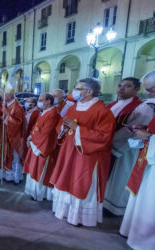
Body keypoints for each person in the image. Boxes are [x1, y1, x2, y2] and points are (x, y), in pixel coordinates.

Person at [50, 78, 115, 227]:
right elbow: (62, 124)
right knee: (66, 178)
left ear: (89, 91)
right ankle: (64, 211)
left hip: (87, 155)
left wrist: (77, 129)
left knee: (80, 182)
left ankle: (79, 217)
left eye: (78, 88)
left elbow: (104, 137)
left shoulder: (102, 111)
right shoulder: (74, 107)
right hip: (68, 151)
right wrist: (64, 128)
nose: (75, 90)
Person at [104, 77, 153, 216]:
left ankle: (113, 208)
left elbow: (132, 129)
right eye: (120, 85)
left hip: (123, 149)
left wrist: (109, 142)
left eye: (127, 86)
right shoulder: (111, 104)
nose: (121, 88)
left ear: (137, 90)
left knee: (119, 177)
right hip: (106, 146)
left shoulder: (141, 107)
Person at [120, 71, 155, 249]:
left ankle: (146, 241)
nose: (149, 93)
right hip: (148, 158)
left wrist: (148, 137)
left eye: (152, 89)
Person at [23, 93, 61, 201]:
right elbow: (36, 127)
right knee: (33, 169)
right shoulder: (45, 112)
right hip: (36, 143)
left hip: (43, 146)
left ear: (48, 101)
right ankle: (33, 192)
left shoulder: (53, 114)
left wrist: (33, 140)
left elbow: (46, 133)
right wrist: (30, 136)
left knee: (40, 170)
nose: (38, 102)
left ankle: (41, 194)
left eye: (41, 100)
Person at [0, 90, 27, 184]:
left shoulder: (17, 107)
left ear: (10, 96)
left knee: (12, 156)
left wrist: (6, 114)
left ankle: (13, 176)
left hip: (13, 137)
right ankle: (3, 174)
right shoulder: (7, 104)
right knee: (2, 154)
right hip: (4, 134)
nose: (2, 97)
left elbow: (17, 123)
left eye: (4, 95)